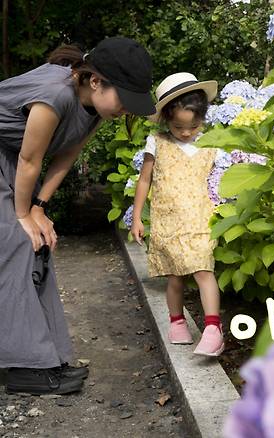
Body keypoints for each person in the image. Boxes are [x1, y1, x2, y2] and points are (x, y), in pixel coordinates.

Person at [0, 37, 155, 395]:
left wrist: (38, 207)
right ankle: (25, 366)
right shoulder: (54, 95)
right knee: (16, 242)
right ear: (95, 81)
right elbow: (30, 160)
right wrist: (23, 215)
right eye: (124, 98)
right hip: (13, 159)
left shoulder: (95, 109)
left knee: (38, 245)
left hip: (11, 160)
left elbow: (66, 155)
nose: (126, 110)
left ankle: (45, 357)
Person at [130, 72, 226, 357]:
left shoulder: (211, 144)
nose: (186, 133)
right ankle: (177, 322)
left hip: (200, 219)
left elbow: (220, 181)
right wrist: (137, 217)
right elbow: (144, 180)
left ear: (203, 119)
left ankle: (213, 328)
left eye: (193, 126)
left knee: (204, 270)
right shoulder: (157, 142)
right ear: (165, 120)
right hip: (168, 221)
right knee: (174, 277)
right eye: (178, 127)